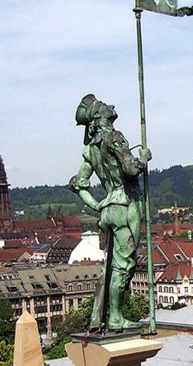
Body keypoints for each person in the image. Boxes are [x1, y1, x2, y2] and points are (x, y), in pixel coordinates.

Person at [68, 94, 150, 331]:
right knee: (123, 266)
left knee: (112, 265)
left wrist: (99, 205)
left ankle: (104, 317)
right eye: (103, 104)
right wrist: (143, 158)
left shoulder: (91, 150)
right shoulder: (115, 137)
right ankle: (115, 318)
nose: (110, 105)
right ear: (98, 116)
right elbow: (131, 168)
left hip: (109, 210)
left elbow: (78, 184)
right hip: (125, 207)